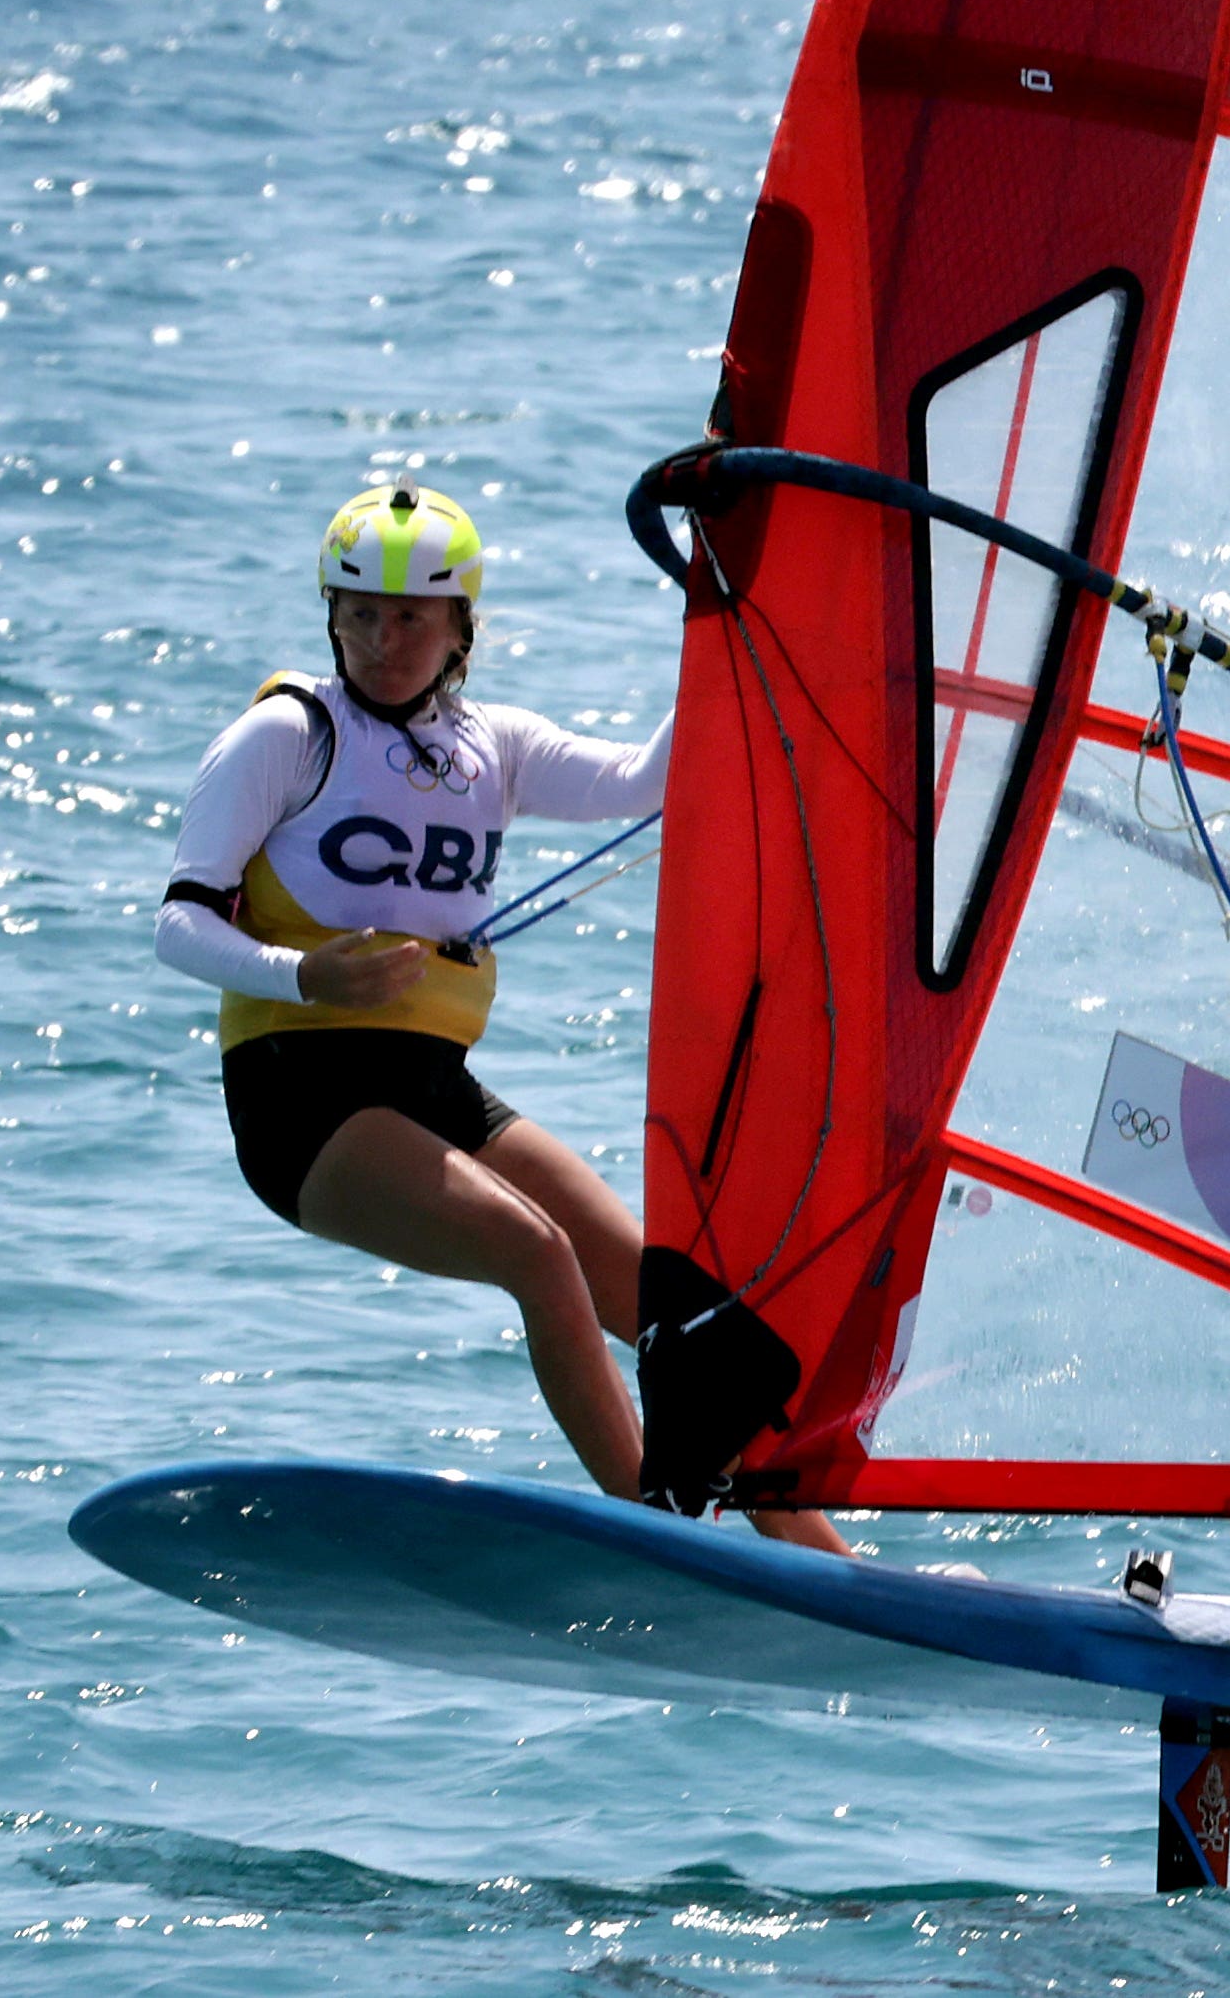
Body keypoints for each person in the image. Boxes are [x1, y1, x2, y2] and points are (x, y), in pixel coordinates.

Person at [153, 482, 843, 1548]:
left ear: (460, 624)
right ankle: (654, 1527)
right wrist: (305, 974)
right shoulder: (287, 734)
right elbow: (179, 923)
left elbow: (655, 781)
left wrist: (734, 609)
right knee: (535, 1252)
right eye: (361, 613)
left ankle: (828, 1574)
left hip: (437, 1091)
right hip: (304, 1099)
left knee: (677, 1314)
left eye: (413, 616)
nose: (384, 639)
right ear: (329, 613)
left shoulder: (493, 745)